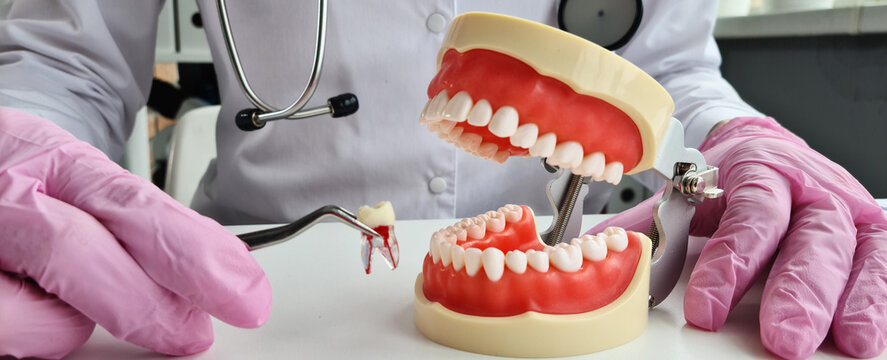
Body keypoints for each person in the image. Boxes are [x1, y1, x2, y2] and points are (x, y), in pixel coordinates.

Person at [0, 0, 883, 359]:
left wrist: (738, 138)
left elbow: (665, 69)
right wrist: (19, 146)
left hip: (552, 273)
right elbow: (67, 60)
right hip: (250, 295)